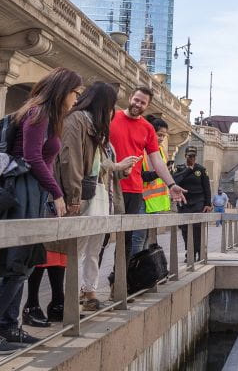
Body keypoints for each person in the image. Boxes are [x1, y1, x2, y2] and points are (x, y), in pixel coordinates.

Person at [0, 67, 81, 355]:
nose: (77, 99)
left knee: (24, 262)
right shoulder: (39, 113)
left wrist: (50, 193)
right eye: (75, 92)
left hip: (32, 192)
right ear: (62, 90)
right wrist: (57, 192)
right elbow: (32, 157)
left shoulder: (47, 116)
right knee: (17, 263)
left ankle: (8, 327)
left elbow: (40, 159)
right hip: (22, 192)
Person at [55, 82, 138, 313]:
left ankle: (89, 291)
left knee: (95, 248)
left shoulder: (101, 132)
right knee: (78, 247)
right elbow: (71, 160)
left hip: (102, 196)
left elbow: (103, 167)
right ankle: (69, 297)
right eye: (111, 106)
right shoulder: (77, 120)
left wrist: (122, 169)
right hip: (84, 193)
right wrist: (73, 196)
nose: (112, 112)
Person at [110, 87, 187, 265]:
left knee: (127, 239)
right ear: (130, 97)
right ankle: (91, 282)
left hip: (133, 190)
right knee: (103, 238)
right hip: (110, 186)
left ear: (147, 106)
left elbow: (157, 160)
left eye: (143, 102)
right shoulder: (112, 117)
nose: (138, 104)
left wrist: (171, 184)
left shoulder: (147, 128)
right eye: (136, 100)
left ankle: (121, 276)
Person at [171, 146, 212, 262]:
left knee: (197, 228)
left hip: (198, 202)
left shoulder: (201, 170)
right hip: (184, 202)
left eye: (194, 156)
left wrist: (208, 203)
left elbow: (207, 188)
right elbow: (175, 181)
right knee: (184, 228)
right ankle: (190, 252)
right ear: (185, 156)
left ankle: (199, 250)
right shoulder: (179, 169)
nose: (192, 158)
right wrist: (188, 170)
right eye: (190, 156)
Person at [141, 117, 172, 215]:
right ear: (150, 132)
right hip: (143, 201)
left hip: (158, 203)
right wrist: (159, 172)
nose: (162, 139)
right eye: (159, 135)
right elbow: (140, 175)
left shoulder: (162, 150)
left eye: (164, 136)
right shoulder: (141, 150)